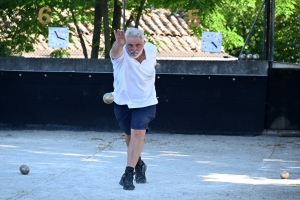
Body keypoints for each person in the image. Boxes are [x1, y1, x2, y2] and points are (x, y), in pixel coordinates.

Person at [110, 27, 158, 190]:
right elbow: (115, 52)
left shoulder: (151, 49)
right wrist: (118, 43)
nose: (134, 49)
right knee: (129, 136)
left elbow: (152, 60)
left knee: (138, 134)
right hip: (123, 102)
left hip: (146, 102)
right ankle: (139, 165)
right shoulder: (120, 54)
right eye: (130, 45)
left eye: (138, 45)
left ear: (144, 43)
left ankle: (128, 174)